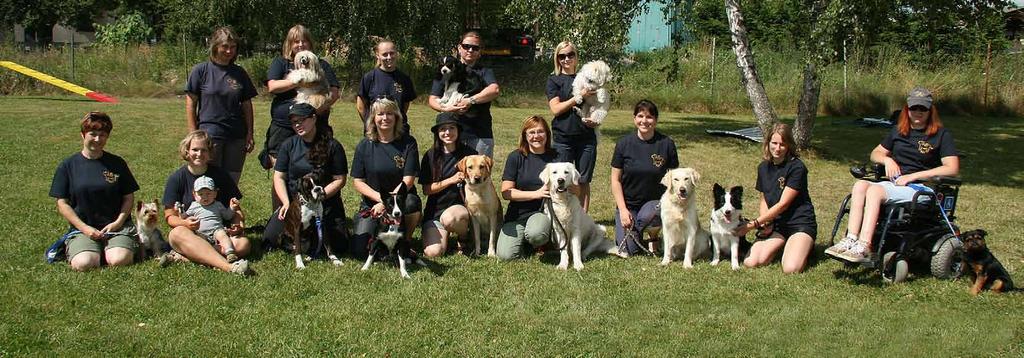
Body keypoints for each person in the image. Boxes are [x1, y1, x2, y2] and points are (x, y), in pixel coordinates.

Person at [826, 86, 959, 263]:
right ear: (907, 109)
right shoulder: (899, 131)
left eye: (923, 108)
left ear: (930, 110)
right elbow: (875, 153)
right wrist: (888, 160)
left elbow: (952, 168)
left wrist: (913, 176)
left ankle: (865, 245)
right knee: (860, 186)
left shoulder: (941, 135)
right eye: (914, 108)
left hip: (920, 188)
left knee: (874, 191)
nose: (918, 112)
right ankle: (850, 238)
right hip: (895, 184)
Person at [50, 112, 139, 271]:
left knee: (120, 260)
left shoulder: (117, 163)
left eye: (103, 135)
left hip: (116, 228)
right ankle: (87, 249)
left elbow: (128, 197)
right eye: (93, 134)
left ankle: (114, 249)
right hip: (83, 229)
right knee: (84, 263)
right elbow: (62, 204)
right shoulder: (68, 166)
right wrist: (85, 228)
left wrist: (118, 223)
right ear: (83, 135)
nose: (98, 139)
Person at [261, 103, 349, 257]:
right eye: (294, 122)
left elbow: (339, 179)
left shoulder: (332, 145)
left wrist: (320, 196)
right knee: (270, 239)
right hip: (295, 204)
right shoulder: (288, 145)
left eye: (301, 120)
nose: (297, 125)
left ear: (314, 118)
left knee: (340, 245)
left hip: (325, 203)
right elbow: (279, 176)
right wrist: (286, 203)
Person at [163, 130, 252, 275]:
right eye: (195, 149)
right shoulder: (176, 178)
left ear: (210, 152)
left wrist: (238, 225)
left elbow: (236, 209)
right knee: (176, 234)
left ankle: (184, 257)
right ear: (186, 151)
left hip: (218, 233)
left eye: (204, 150)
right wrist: (186, 224)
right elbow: (170, 217)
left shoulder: (221, 175)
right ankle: (229, 267)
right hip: (191, 234)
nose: (199, 154)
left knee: (243, 244)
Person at [733, 123, 817, 273]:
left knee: (790, 268)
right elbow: (764, 198)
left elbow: (783, 204)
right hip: (777, 224)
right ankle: (784, 245)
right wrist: (766, 223)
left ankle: (804, 247)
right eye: (774, 143)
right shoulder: (763, 167)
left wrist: (753, 225)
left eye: (782, 145)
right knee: (751, 261)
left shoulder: (797, 168)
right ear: (768, 143)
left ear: (789, 146)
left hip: (799, 223)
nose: (777, 149)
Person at [184, 26, 258, 184]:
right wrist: (193, 135)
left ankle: (227, 209)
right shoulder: (200, 71)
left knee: (231, 184)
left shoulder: (239, 73)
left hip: (236, 136)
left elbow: (247, 104)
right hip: (210, 136)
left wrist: (250, 132)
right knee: (207, 183)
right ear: (215, 46)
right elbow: (191, 104)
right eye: (225, 46)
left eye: (233, 47)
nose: (229, 51)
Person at [262, 25, 341, 172]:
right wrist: (298, 81)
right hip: (283, 127)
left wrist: (312, 114)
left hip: (316, 127)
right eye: (296, 41)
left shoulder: (321, 64)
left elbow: (334, 93)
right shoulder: (280, 63)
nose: (300, 44)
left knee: (316, 167)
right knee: (281, 170)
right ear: (289, 45)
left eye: (304, 41)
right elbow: (272, 86)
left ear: (310, 43)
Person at [350, 98, 421, 259]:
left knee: (411, 203)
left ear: (397, 117)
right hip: (373, 204)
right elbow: (358, 182)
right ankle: (378, 237)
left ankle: (404, 244)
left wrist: (389, 202)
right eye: (380, 114)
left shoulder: (408, 143)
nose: (385, 118)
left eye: (390, 113)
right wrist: (381, 201)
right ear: (373, 118)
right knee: (361, 251)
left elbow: (408, 179)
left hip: (401, 203)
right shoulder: (364, 145)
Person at [610, 100, 678, 257]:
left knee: (648, 215)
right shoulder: (623, 144)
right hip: (629, 205)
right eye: (640, 116)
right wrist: (623, 210)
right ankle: (635, 233)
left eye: (649, 117)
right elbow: (615, 180)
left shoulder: (666, 144)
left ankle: (653, 235)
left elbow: (674, 178)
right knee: (628, 250)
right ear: (634, 118)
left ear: (656, 120)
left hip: (656, 203)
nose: (644, 121)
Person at [427, 31, 500, 157]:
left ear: (480, 51)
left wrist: (470, 100)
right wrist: (446, 108)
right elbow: (433, 99)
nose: (470, 50)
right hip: (450, 133)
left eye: (475, 48)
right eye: (466, 46)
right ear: (459, 47)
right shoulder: (445, 69)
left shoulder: (485, 72)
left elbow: (494, 90)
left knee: (480, 175)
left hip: (480, 134)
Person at [547, 41, 599, 211]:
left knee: (583, 180)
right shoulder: (554, 80)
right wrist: (578, 96)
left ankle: (583, 218)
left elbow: (597, 104)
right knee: (562, 179)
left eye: (570, 55)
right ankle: (563, 213)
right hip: (563, 138)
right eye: (562, 56)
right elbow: (556, 109)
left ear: (576, 57)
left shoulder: (587, 79)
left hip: (587, 138)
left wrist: (596, 118)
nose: (566, 59)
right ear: (557, 59)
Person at [495, 116, 557, 260]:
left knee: (537, 233)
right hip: (517, 215)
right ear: (525, 135)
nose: (536, 136)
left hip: (542, 212)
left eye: (540, 132)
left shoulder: (556, 157)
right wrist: (536, 194)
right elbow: (506, 192)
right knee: (505, 256)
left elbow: (574, 188)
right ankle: (528, 244)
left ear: (547, 134)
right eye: (531, 132)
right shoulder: (515, 157)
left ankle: (540, 241)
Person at [419, 113, 478, 257]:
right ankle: (440, 234)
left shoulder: (469, 154)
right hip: (435, 212)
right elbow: (427, 190)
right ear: (437, 133)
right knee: (433, 253)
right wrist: (451, 180)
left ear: (458, 131)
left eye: (452, 128)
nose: (447, 132)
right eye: (443, 129)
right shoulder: (430, 156)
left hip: (459, 210)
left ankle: (463, 238)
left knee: (451, 218)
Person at [356, 39, 417, 132]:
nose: (389, 57)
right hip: (375, 131)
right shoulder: (369, 77)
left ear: (396, 53)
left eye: (392, 53)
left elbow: (404, 105)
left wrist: (396, 121)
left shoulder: (404, 79)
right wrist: (369, 124)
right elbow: (361, 105)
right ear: (378, 55)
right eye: (385, 54)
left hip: (399, 130)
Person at [183, 176, 245, 263]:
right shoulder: (194, 206)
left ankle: (230, 252)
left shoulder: (218, 205)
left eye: (208, 193)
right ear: (194, 195)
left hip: (216, 230)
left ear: (215, 193)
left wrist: (232, 208)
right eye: (201, 194)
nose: (205, 197)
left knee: (223, 235)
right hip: (201, 233)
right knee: (197, 241)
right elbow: (185, 217)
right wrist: (180, 212)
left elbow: (227, 216)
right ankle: (206, 254)